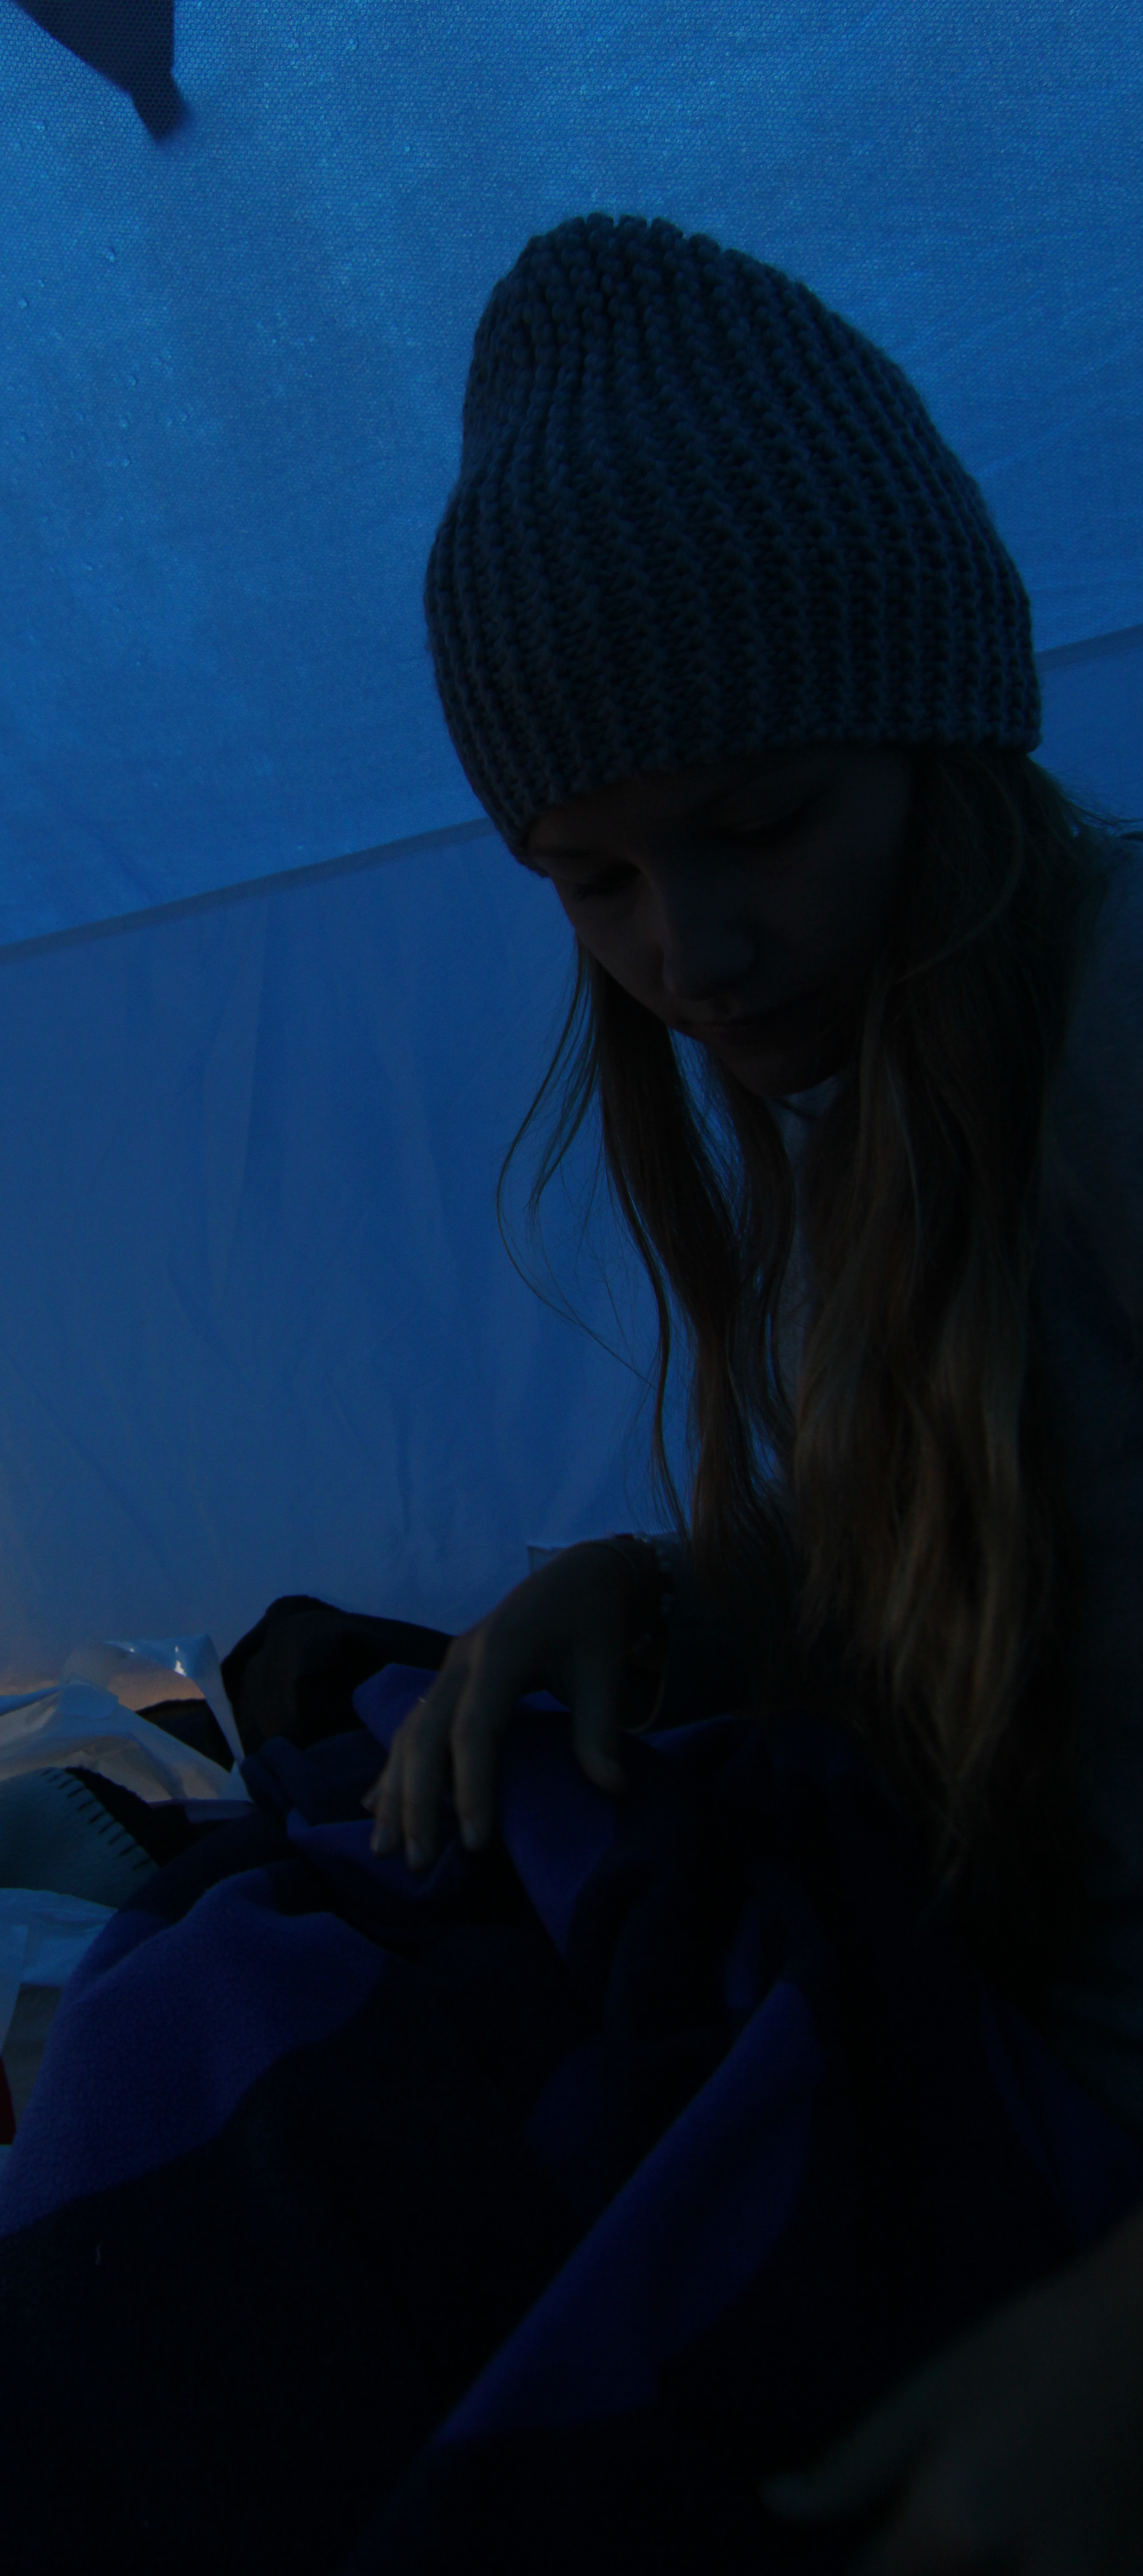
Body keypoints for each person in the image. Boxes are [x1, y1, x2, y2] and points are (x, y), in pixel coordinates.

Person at [363, 212, 1143, 2571]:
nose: (689, 955)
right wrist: (676, 1592)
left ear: (933, 726)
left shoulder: (1123, 1040)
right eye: (589, 878)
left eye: (760, 822)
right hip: (1008, 2119)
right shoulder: (878, 1119)